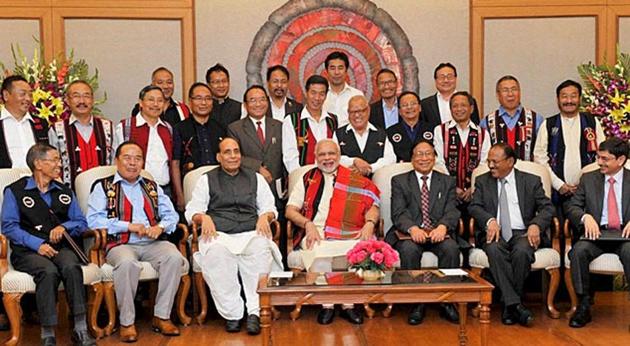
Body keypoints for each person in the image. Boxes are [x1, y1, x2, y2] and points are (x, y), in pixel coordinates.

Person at [185, 137, 282, 335]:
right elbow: (192, 210)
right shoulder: (206, 179)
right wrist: (203, 217)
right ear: (219, 157)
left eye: (236, 151)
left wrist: (266, 216)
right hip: (219, 233)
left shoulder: (256, 178)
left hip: (250, 231)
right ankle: (233, 314)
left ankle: (255, 312)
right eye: (227, 152)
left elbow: (269, 206)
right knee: (216, 255)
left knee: (260, 250)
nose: (233, 156)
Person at [1, 144, 95, 346]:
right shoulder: (15, 191)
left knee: (71, 266)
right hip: (28, 251)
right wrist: (37, 244)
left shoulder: (63, 191)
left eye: (59, 160)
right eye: (54, 160)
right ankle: (48, 334)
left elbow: (81, 222)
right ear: (38, 164)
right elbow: (9, 226)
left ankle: (80, 329)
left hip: (61, 248)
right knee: (48, 271)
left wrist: (64, 227)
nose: (59, 164)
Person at [285, 139, 380, 325]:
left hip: (350, 231)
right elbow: (290, 211)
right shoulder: (307, 178)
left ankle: (348, 304)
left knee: (361, 249)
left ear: (339, 156)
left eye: (331, 154)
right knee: (318, 253)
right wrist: (308, 224)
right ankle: (327, 304)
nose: (327, 158)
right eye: (322, 154)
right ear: (316, 157)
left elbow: (372, 205)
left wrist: (369, 223)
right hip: (318, 231)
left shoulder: (354, 178)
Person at [468, 143, 554, 327]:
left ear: (510, 162)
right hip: (494, 232)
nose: (490, 165)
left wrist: (536, 225)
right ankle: (515, 304)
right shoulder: (483, 181)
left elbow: (547, 207)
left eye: (495, 161)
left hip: (522, 231)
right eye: (489, 161)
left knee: (522, 251)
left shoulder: (531, 180)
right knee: (494, 249)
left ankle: (509, 305)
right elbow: (474, 206)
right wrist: (489, 220)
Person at [385, 139, 462, 325]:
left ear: (435, 158)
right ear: (411, 159)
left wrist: (443, 226)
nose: (424, 158)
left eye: (428, 153)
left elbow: (452, 210)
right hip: (410, 233)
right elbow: (398, 212)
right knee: (409, 250)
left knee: (451, 248)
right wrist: (413, 228)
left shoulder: (447, 181)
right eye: (419, 154)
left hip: (438, 232)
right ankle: (416, 302)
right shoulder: (400, 181)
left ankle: (447, 301)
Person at [566, 137, 630, 328]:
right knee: (578, 251)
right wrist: (586, 218)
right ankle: (583, 305)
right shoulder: (589, 178)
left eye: (605, 158)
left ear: (621, 160)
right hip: (596, 234)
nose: (599, 162)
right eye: (598, 157)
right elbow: (573, 206)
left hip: (624, 236)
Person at [534, 80, 605, 222]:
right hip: (557, 192)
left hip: (588, 191)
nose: (569, 101)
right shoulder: (548, 124)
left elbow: (603, 154)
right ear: (558, 99)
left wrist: (585, 182)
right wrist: (559, 185)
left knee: (587, 231)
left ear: (579, 98)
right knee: (558, 233)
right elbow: (540, 159)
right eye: (564, 96)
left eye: (573, 96)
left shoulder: (591, 122)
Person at [433, 91, 490, 220]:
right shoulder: (440, 131)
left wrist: (473, 187)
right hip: (448, 192)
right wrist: (453, 187)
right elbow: (439, 162)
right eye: (455, 106)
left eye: (463, 105)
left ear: (471, 108)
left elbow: (485, 163)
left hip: (476, 193)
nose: (459, 109)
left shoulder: (482, 133)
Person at [171, 82, 225, 211]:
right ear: (190, 101)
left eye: (207, 98)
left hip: (218, 187)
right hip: (191, 186)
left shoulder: (220, 128)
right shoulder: (179, 128)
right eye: (198, 98)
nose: (203, 103)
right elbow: (175, 163)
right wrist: (179, 195)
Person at [49, 80, 114, 189]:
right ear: (67, 100)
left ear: (92, 100)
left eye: (86, 96)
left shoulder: (107, 127)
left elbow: (114, 162)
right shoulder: (57, 129)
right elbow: (52, 164)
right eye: (76, 96)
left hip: (104, 193)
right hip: (69, 193)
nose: (82, 101)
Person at [114, 86, 174, 198]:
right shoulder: (125, 127)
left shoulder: (168, 128)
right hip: (134, 189)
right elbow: (116, 161)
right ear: (141, 103)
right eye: (151, 100)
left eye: (160, 100)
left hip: (165, 191)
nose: (156, 104)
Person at [282, 75, 338, 174]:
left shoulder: (333, 120)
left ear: (326, 96)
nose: (317, 98)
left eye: (321, 94)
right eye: (313, 93)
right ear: (306, 93)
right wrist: (303, 178)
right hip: (301, 179)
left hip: (329, 178)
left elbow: (336, 153)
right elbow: (290, 157)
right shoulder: (292, 120)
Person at [480, 75, 544, 161]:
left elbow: (542, 153)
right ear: (498, 95)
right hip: (497, 173)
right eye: (505, 90)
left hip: (528, 172)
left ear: (519, 92)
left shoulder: (536, 120)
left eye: (514, 89)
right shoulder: (486, 122)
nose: (510, 94)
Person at [333, 95, 395, 176]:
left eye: (361, 111)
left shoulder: (380, 133)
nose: (357, 115)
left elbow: (391, 158)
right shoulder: (338, 133)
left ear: (368, 110)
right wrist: (354, 161)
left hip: (375, 183)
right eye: (353, 112)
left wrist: (370, 168)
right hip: (346, 183)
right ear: (348, 113)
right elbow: (333, 157)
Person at [0, 75, 49, 168]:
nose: (28, 99)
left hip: (36, 180)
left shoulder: (41, 124)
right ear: (6, 95)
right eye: (22, 94)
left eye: (30, 94)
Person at [421, 63, 480, 130]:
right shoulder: (425, 104)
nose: (446, 80)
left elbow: (476, 126)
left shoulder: (469, 101)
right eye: (442, 77)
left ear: (455, 78)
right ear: (435, 80)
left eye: (449, 77)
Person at [386, 91, 433, 162]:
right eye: (405, 105)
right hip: (400, 170)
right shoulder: (390, 132)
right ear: (399, 111)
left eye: (413, 104)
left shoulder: (432, 129)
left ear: (420, 108)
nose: (409, 107)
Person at [322, 51, 364, 127]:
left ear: (346, 71)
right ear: (326, 71)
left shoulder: (357, 95)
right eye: (332, 68)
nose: (336, 72)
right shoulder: (320, 95)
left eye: (340, 68)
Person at [206, 63, 244, 129]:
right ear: (208, 85)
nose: (221, 85)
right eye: (216, 82)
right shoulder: (203, 107)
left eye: (224, 81)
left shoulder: (240, 108)